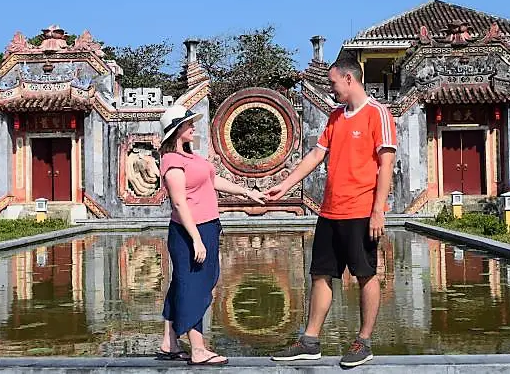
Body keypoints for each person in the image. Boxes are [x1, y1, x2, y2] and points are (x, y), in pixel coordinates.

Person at [266, 60, 397, 368]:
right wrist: (284, 185)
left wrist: (378, 211)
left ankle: (363, 341)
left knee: (365, 274)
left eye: (333, 83)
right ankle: (310, 341)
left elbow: (386, 165)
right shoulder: (336, 116)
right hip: (331, 210)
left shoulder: (377, 113)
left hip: (362, 210)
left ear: (349, 79)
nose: (331, 89)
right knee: (320, 274)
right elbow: (316, 154)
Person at [156, 104, 265, 366]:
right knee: (196, 287)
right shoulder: (172, 160)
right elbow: (179, 202)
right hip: (188, 230)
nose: (193, 126)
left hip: (207, 226)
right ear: (176, 131)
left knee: (185, 285)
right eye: (187, 124)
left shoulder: (192, 158)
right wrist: (195, 239)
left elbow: (212, 181)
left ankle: (169, 342)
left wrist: (247, 192)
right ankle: (198, 349)